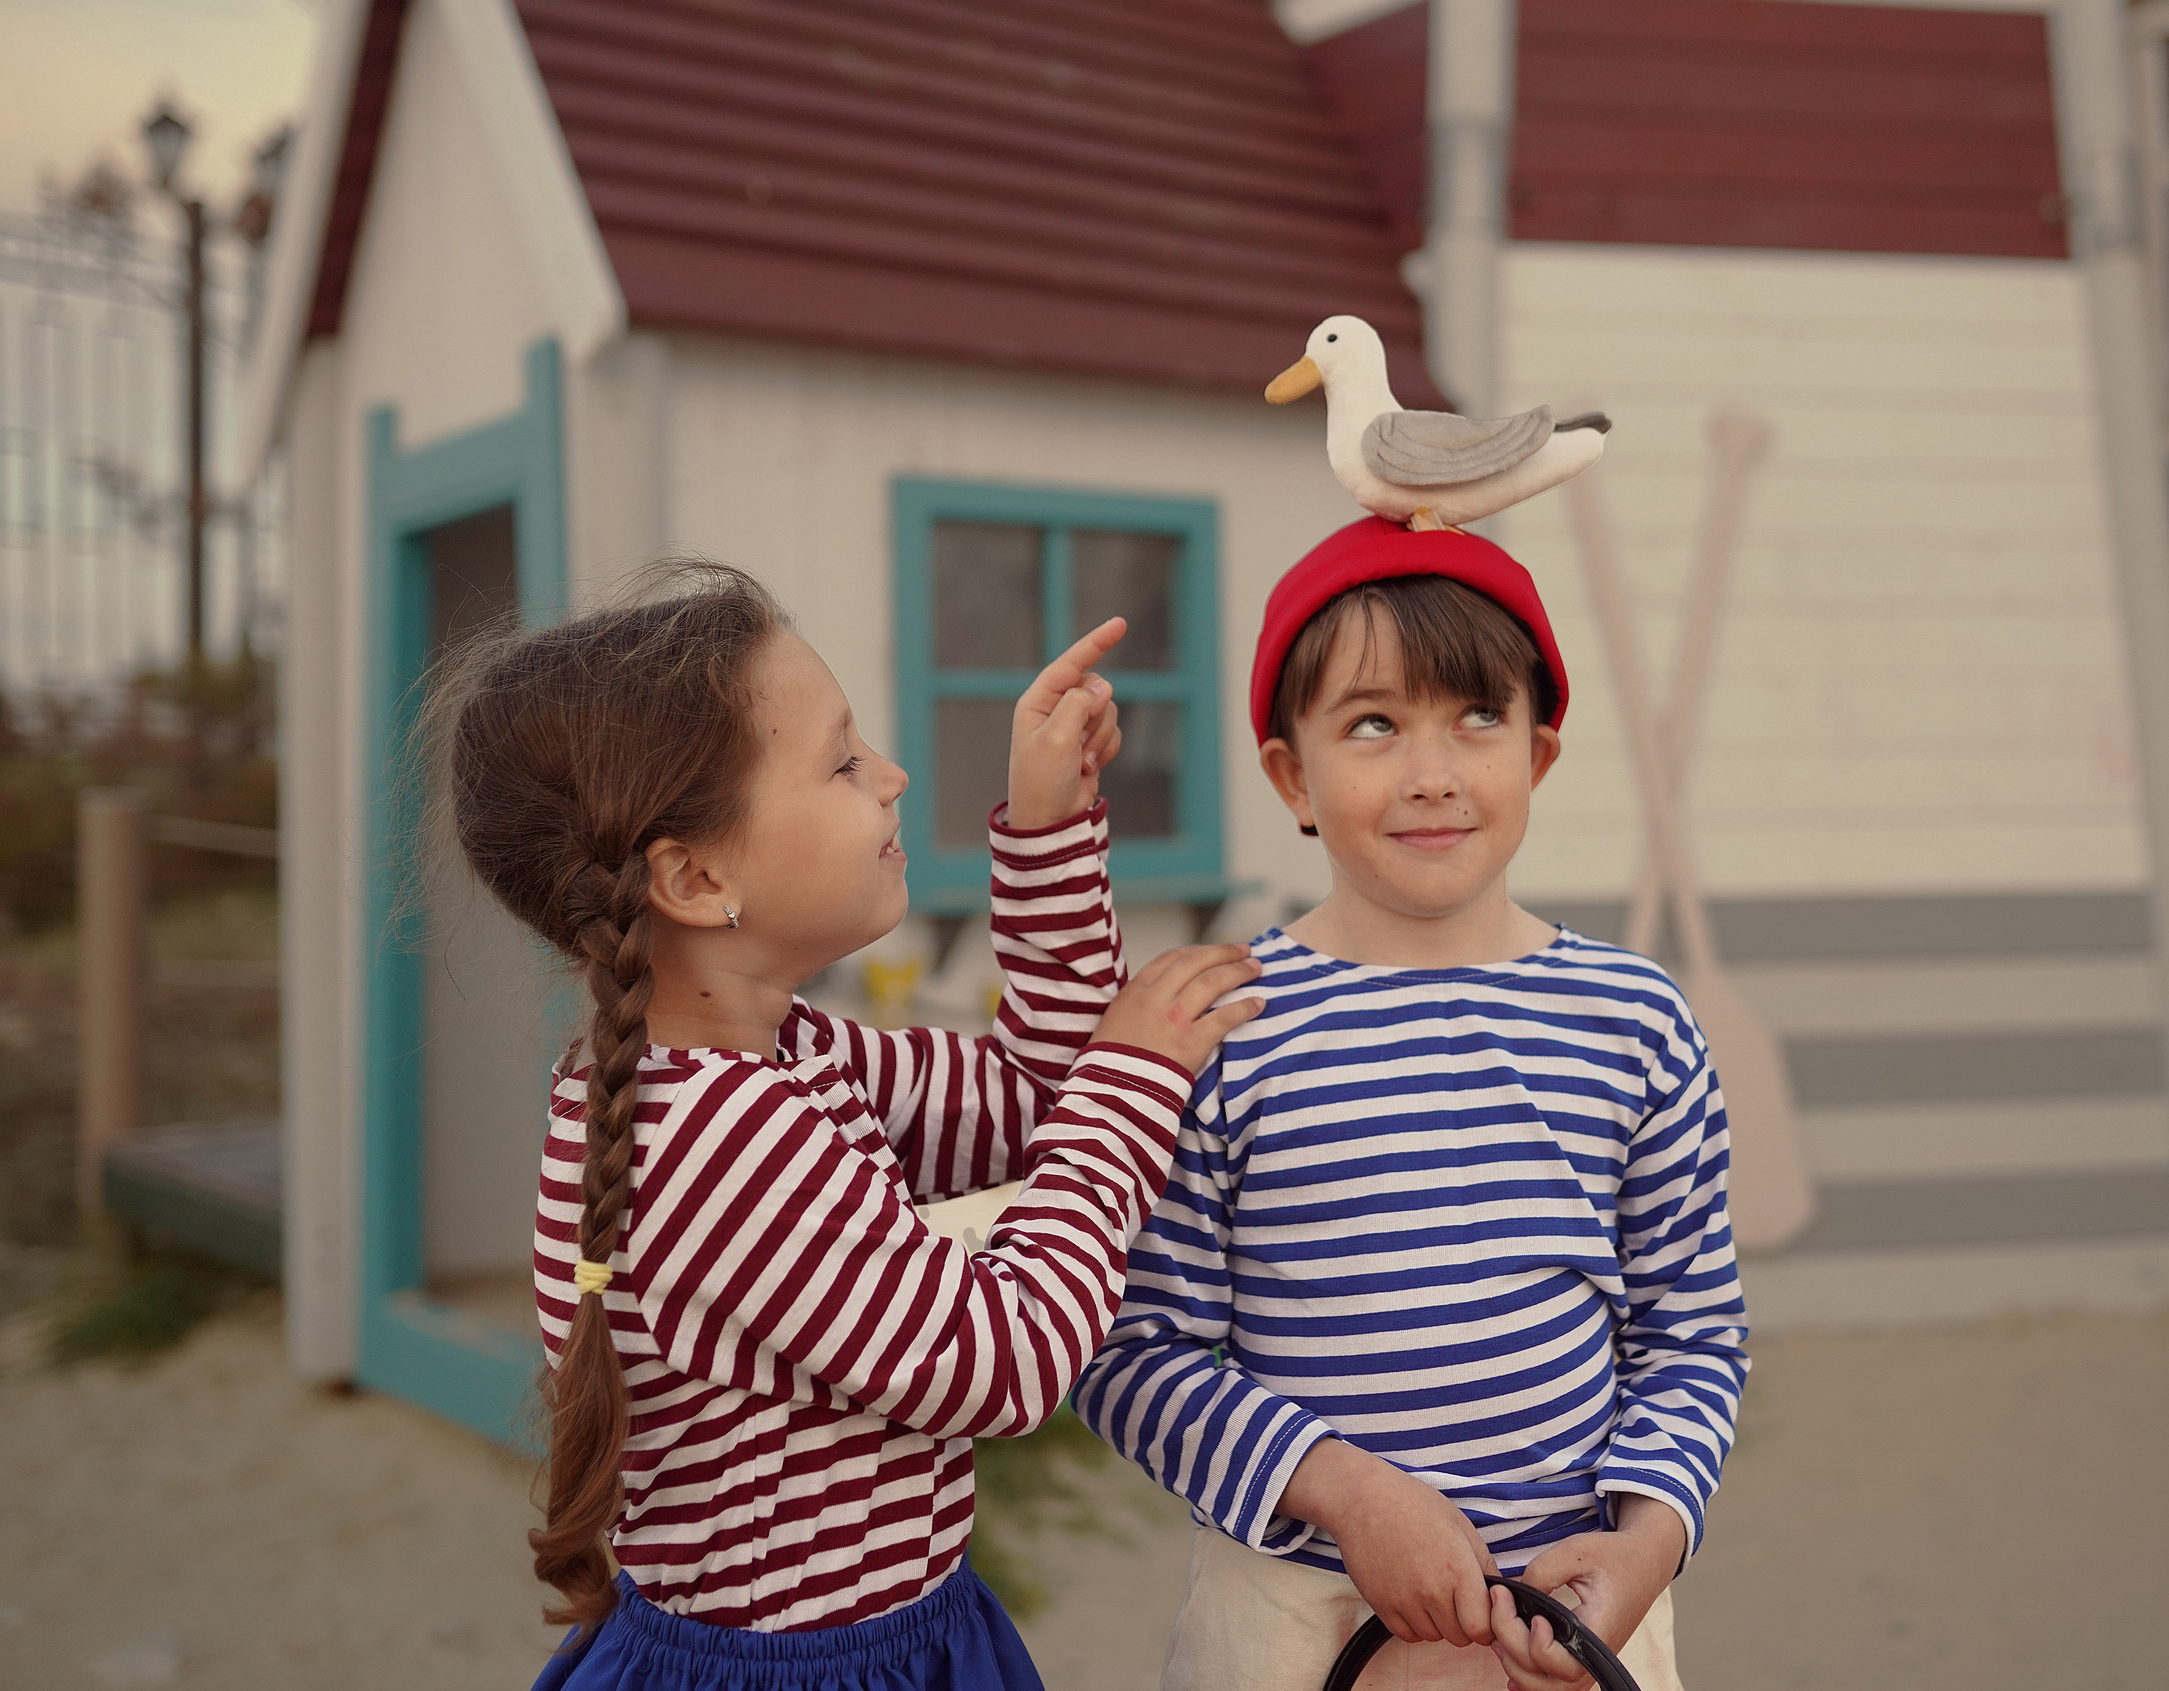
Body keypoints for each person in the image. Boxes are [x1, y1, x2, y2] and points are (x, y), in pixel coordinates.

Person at [428, 561, 1263, 1691]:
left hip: (902, 1628)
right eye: (840, 760)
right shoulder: (711, 1137)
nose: (894, 775)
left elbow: (1033, 1103)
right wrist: (1132, 1078)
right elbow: (999, 1358)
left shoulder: (786, 1054)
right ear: (695, 873)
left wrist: (1048, 831)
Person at [1074, 518, 1749, 1691]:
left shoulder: (1636, 1022)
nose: (1433, 771)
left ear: (1538, 753)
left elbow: (1690, 1332)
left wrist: (1651, 1540)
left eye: (1477, 717)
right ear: (1293, 773)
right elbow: (1133, 1353)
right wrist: (1346, 1489)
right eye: (1374, 723)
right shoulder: (1218, 1029)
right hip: (1295, 1621)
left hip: (1573, 1618)